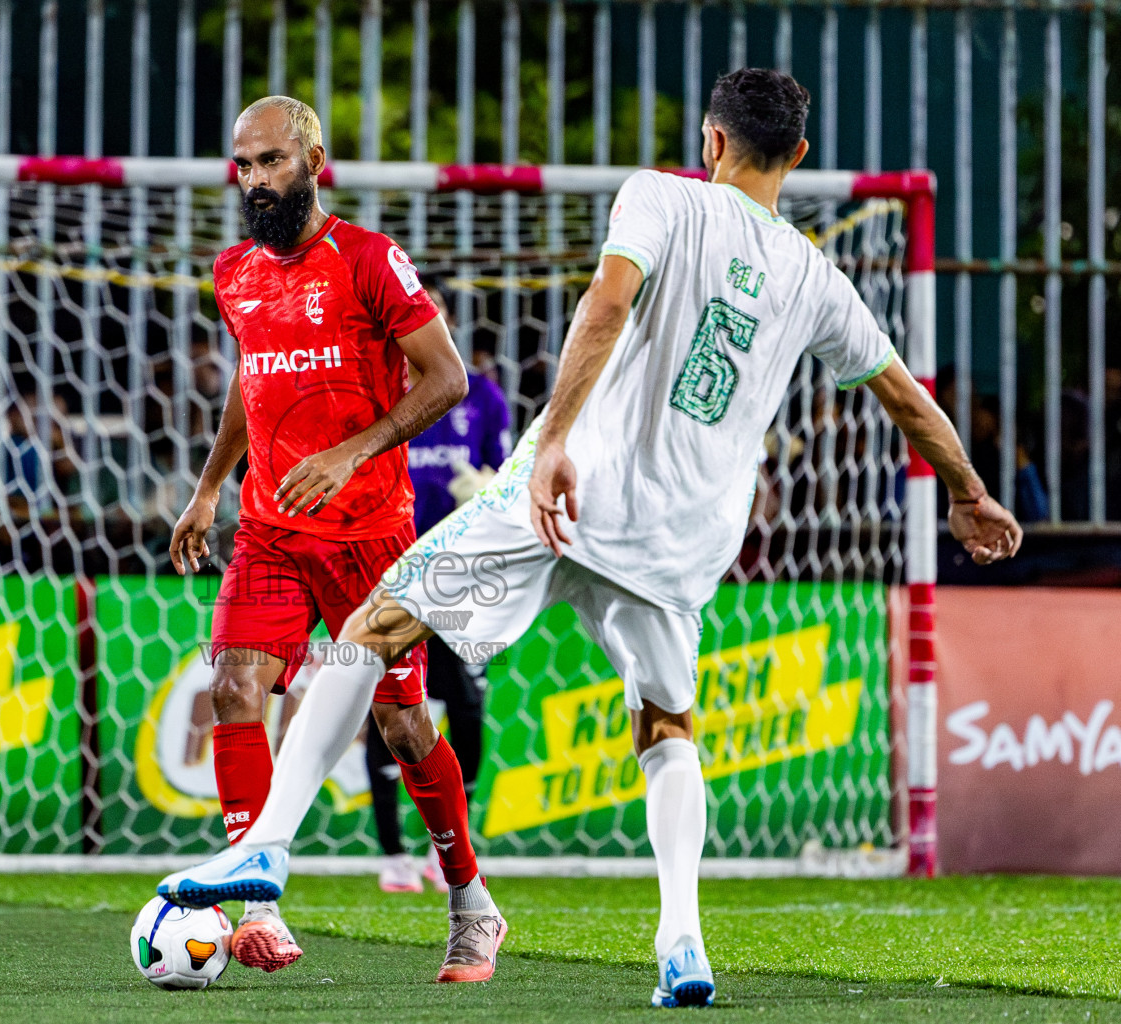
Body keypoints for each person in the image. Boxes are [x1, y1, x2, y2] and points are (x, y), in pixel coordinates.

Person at [160, 69, 1022, 1008]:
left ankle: (271, 850)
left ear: (712, 143)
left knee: (374, 627)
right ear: (798, 158)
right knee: (665, 728)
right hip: (685, 543)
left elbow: (606, 306)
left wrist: (555, 441)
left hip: (570, 494)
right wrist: (971, 492)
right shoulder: (818, 278)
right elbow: (905, 395)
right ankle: (682, 943)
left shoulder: (661, 196)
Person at [161, 95, 506, 982]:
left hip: (370, 537)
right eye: (242, 164)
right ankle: (258, 907)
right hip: (271, 529)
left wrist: (355, 452)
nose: (255, 180)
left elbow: (448, 379)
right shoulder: (233, 271)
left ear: (315, 159)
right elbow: (251, 376)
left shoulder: (371, 260)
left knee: (401, 724)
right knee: (237, 686)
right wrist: (207, 490)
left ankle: (471, 901)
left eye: (271, 161)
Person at [367, 280, 511, 894]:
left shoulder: (483, 399)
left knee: (467, 708)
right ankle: (393, 852)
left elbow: (505, 484)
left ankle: (453, 839)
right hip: (389, 571)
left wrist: (483, 486)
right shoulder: (374, 393)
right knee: (386, 707)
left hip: (456, 577)